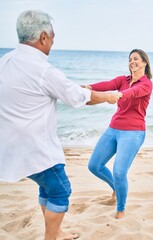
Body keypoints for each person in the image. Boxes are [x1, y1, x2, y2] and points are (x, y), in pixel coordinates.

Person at [0, 10, 121, 240]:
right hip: (35, 148)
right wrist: (106, 96)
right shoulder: (43, 70)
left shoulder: (5, 61)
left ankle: (55, 231)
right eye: (53, 36)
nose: (54, 41)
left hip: (10, 145)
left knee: (46, 188)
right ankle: (51, 237)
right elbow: (77, 97)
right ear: (43, 37)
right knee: (60, 191)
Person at [84, 49, 153, 219]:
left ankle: (120, 209)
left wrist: (118, 94)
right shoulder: (123, 80)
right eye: (130, 59)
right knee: (94, 165)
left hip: (133, 132)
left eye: (136, 58)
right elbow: (107, 84)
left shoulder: (146, 84)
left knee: (119, 172)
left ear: (144, 62)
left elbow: (133, 93)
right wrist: (88, 88)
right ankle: (116, 187)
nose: (132, 61)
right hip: (113, 129)